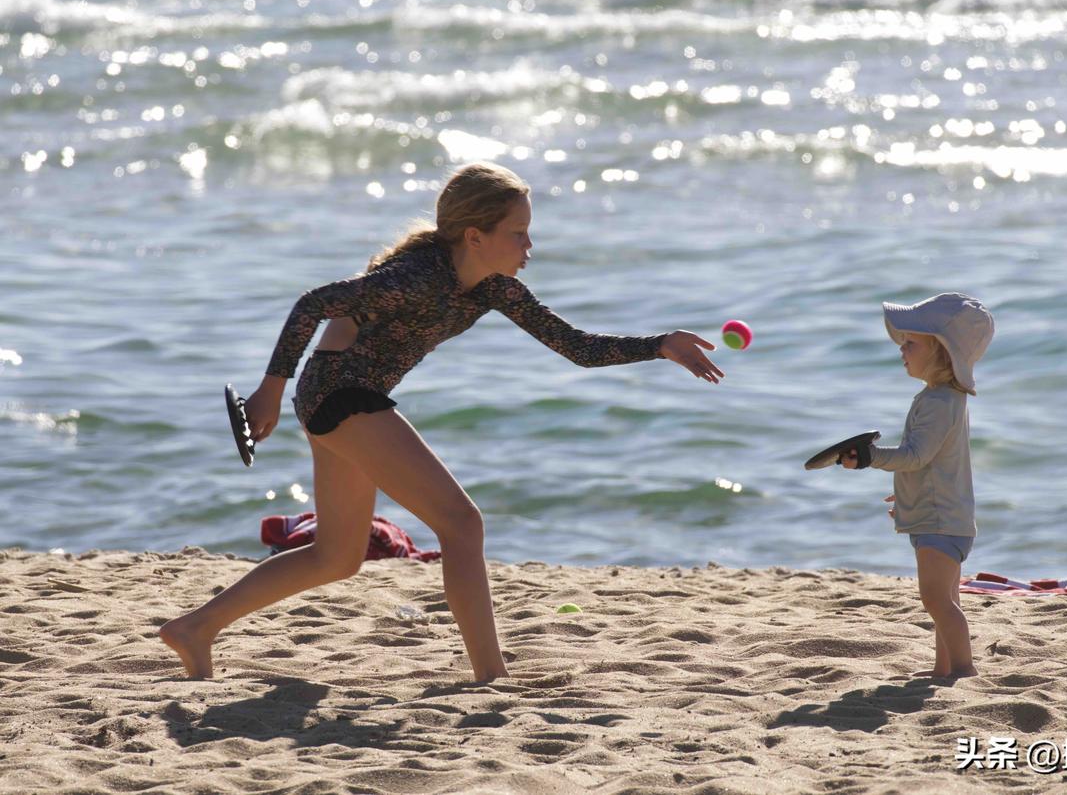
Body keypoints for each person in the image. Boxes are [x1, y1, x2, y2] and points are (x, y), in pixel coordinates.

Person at [161, 162, 725, 682]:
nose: (530, 245)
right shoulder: (414, 277)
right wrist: (269, 391)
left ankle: (194, 629)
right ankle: (491, 676)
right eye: (519, 232)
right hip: (341, 394)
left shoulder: (495, 287)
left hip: (337, 399)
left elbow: (574, 345)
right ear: (474, 236)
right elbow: (313, 303)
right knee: (462, 524)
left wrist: (661, 345)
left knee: (337, 557)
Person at [840, 293, 994, 678]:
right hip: (942, 516)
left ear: (941, 352)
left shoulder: (940, 402)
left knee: (936, 600)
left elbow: (914, 456)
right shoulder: (940, 398)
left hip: (941, 522)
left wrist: (870, 457)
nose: (901, 350)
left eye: (911, 343)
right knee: (945, 598)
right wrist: (908, 489)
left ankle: (963, 668)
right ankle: (943, 668)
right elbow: (932, 464)